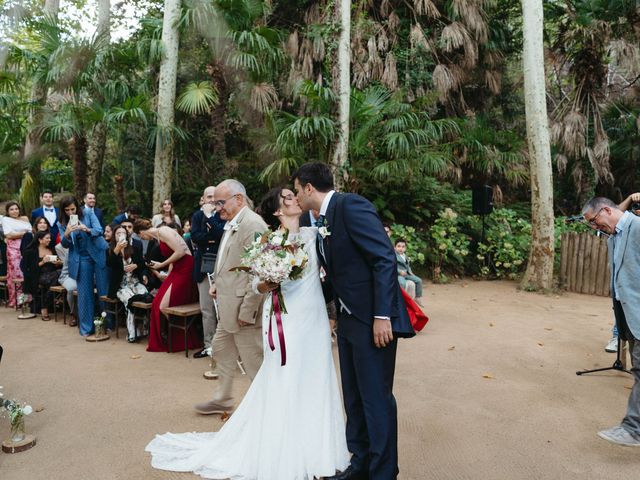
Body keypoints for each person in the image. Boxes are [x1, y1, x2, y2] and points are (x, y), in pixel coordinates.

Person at [146, 186, 350, 479]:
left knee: (316, 375)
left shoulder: (315, 234)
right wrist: (271, 280)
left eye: (294, 195)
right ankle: (283, 444)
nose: (295, 199)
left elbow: (328, 274)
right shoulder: (270, 241)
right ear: (278, 211)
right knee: (284, 375)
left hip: (313, 319)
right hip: (284, 320)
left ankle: (319, 444)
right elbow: (256, 284)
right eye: (288, 198)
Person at [292, 162, 415, 480]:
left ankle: (383, 472)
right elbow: (335, 273)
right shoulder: (322, 220)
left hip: (373, 321)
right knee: (355, 397)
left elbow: (383, 258)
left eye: (296, 190)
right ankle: (359, 464)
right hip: (347, 321)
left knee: (376, 398)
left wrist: (382, 315)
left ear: (308, 187)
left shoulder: (351, 205)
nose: (295, 197)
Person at [193, 179, 266, 415]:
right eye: (215, 203)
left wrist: (247, 312)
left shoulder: (253, 225)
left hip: (243, 311)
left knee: (254, 361)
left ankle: (266, 407)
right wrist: (218, 285)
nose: (217, 208)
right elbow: (232, 263)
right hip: (227, 306)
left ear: (239, 199)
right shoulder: (233, 222)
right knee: (221, 348)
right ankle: (223, 398)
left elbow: (259, 273)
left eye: (221, 202)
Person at [582, 197, 640, 447]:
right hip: (629, 317)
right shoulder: (613, 236)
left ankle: (633, 429)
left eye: (594, 221)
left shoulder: (637, 227)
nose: (594, 227)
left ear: (606, 210)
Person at [133, 218, 201, 353]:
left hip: (186, 269)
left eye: (140, 236)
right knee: (157, 303)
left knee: (163, 306)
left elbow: (181, 252)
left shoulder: (163, 231)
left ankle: (183, 337)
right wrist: (168, 272)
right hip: (176, 270)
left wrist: (161, 265)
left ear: (141, 232)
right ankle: (177, 336)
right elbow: (173, 256)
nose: (143, 239)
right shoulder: (158, 238)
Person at [58, 196, 109, 336]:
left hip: (98, 253)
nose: (70, 212)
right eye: (67, 210)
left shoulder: (88, 213)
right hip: (81, 258)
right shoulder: (61, 223)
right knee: (84, 294)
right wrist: (67, 234)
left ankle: (107, 324)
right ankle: (87, 328)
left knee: (103, 290)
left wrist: (86, 229)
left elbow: (99, 230)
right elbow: (64, 245)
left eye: (72, 209)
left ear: (77, 207)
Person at [190, 186, 226, 359]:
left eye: (214, 196)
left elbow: (222, 236)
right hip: (203, 268)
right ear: (203, 199)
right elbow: (195, 236)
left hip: (222, 268)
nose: (212, 200)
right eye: (209, 197)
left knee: (224, 308)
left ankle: (226, 347)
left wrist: (211, 220)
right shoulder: (197, 216)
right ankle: (209, 346)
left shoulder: (223, 214)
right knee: (207, 309)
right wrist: (211, 235)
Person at [604, 192, 640, 353]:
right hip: (626, 279)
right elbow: (614, 211)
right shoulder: (623, 223)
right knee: (623, 301)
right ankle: (617, 337)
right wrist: (631, 198)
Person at [107, 224, 149, 342]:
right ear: (114, 236)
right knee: (130, 301)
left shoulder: (134, 246)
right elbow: (109, 264)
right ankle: (132, 333)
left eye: (123, 233)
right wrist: (117, 249)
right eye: (118, 234)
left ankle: (144, 329)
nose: (121, 235)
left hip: (135, 282)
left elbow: (142, 263)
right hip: (121, 285)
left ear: (127, 235)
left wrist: (136, 266)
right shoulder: (110, 249)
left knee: (145, 295)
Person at [21, 231, 62, 321]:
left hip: (53, 275)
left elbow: (58, 265)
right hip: (39, 276)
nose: (49, 240)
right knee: (59, 274)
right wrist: (42, 262)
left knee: (57, 276)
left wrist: (58, 263)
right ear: (40, 240)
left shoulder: (52, 249)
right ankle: (46, 307)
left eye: (50, 238)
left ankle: (44, 307)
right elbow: (28, 269)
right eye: (47, 238)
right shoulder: (31, 251)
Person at [2, 202, 31, 307]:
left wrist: (19, 235)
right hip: (13, 250)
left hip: (26, 247)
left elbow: (31, 231)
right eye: (11, 209)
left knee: (25, 273)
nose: (14, 211)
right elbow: (9, 234)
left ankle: (27, 299)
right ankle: (18, 301)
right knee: (17, 274)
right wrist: (24, 234)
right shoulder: (5, 220)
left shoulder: (25, 219)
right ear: (8, 211)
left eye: (16, 209)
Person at [394, 238, 424, 305]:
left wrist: (410, 272)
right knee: (402, 283)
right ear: (395, 247)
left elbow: (407, 266)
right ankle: (401, 299)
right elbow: (393, 266)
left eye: (403, 247)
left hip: (406, 274)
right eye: (398, 246)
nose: (401, 248)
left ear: (405, 248)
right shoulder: (394, 256)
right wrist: (399, 271)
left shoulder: (405, 255)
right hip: (399, 274)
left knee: (419, 280)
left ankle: (418, 297)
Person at [55, 242, 78, 327]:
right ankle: (73, 314)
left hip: (83, 276)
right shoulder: (70, 251)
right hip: (68, 275)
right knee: (72, 288)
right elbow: (66, 269)